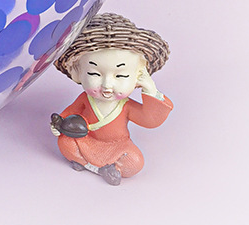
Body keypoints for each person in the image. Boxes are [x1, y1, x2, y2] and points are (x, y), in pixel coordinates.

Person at [50, 12, 172, 185]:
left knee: (135, 161)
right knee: (65, 142)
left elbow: (150, 120)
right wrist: (59, 123)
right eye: (94, 74)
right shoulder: (85, 99)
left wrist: (150, 90)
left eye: (120, 76)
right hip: (87, 140)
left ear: (136, 77)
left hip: (118, 146)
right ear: (77, 73)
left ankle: (102, 166)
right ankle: (95, 167)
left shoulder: (126, 106)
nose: (107, 85)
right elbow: (70, 112)